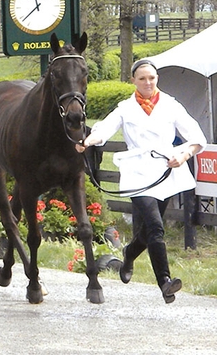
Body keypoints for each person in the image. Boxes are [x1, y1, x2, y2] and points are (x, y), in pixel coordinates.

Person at [77, 59, 207, 304]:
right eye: (142, 79)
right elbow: (104, 129)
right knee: (156, 227)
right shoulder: (125, 107)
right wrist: (87, 142)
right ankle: (165, 282)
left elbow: (195, 136)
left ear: (157, 79)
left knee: (148, 232)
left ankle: (129, 254)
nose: (148, 83)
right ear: (133, 80)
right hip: (137, 171)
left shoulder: (171, 105)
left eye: (152, 78)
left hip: (166, 170)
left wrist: (184, 154)